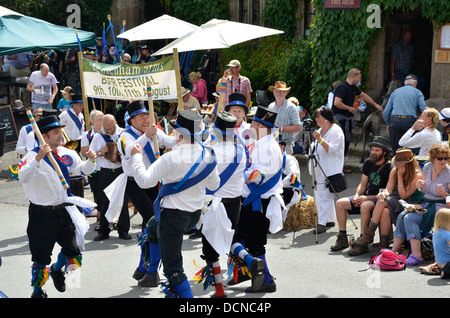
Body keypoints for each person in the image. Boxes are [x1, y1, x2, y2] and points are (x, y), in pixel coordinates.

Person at [130, 109, 220, 298]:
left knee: (173, 268)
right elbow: (214, 184)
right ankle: (150, 271)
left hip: (173, 217)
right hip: (194, 215)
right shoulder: (208, 155)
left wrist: (136, 157)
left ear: (179, 135)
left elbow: (145, 181)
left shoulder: (170, 157)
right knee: (153, 226)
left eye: (174, 131)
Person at [17, 115, 97, 298]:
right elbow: (22, 177)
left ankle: (56, 270)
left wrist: (91, 161)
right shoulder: (31, 156)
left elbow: (82, 170)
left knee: (74, 253)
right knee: (40, 258)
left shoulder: (66, 153)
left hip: (63, 210)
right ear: (44, 136)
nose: (61, 136)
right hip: (41, 214)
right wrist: (38, 158)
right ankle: (37, 292)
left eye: (60, 132)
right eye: (56, 133)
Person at [230, 105, 283, 293]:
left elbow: (258, 177)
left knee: (254, 242)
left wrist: (236, 174)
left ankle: (267, 280)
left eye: (253, 123)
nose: (249, 126)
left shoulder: (268, 147)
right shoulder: (261, 144)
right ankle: (244, 272)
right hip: (252, 199)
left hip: (258, 201)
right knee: (239, 236)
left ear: (261, 126)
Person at [197, 111, 247, 298]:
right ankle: (249, 260)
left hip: (215, 204)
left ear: (216, 132)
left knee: (210, 248)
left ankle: (219, 290)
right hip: (235, 203)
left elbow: (203, 179)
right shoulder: (241, 151)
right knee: (229, 241)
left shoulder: (210, 152)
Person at [349, 148, 423, 255]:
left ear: (408, 164)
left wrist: (400, 176)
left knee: (383, 202)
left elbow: (404, 195)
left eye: (400, 164)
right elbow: (388, 189)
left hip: (410, 201)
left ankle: (369, 234)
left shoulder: (417, 174)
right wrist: (383, 194)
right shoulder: (394, 171)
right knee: (384, 210)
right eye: (397, 164)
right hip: (395, 198)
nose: (397, 166)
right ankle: (383, 244)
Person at [331, 136, 393, 252]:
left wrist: (366, 198)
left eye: (377, 150)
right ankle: (342, 237)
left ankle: (362, 240)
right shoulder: (368, 163)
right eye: (372, 150)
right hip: (366, 197)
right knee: (340, 203)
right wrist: (357, 195)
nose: (373, 152)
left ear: (384, 152)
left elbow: (387, 193)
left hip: (379, 200)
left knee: (365, 205)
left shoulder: (390, 167)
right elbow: (363, 184)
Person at [391, 144, 450, 265]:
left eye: (446, 158)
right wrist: (419, 186)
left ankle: (416, 255)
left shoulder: (448, 173)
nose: (444, 161)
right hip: (425, 203)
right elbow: (423, 189)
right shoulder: (428, 167)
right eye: (440, 158)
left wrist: (444, 194)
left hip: (440, 206)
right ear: (433, 158)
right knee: (403, 215)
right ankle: (394, 251)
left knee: (409, 218)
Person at [90, 114, 130, 241]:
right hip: (105, 172)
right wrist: (102, 152)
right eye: (106, 129)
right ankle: (103, 231)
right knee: (104, 202)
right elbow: (91, 155)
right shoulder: (98, 136)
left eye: (111, 128)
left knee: (122, 201)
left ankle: (123, 231)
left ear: (116, 123)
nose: (109, 131)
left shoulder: (124, 133)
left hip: (120, 171)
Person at [333, 68, 383, 160]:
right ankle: (337, 168)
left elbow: (363, 95)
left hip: (347, 118)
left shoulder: (353, 87)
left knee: (346, 142)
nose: (360, 81)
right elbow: (337, 103)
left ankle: (341, 167)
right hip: (340, 120)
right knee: (341, 142)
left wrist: (375, 104)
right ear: (353, 76)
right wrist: (349, 108)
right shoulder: (342, 87)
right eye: (359, 78)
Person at [310, 106, 345, 234]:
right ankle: (330, 219)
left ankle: (321, 223)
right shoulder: (320, 130)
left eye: (318, 116)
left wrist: (319, 139)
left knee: (324, 195)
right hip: (320, 167)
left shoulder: (336, 131)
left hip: (330, 168)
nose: (316, 118)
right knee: (321, 194)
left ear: (326, 118)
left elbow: (332, 149)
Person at [383, 74, 427, 156]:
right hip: (409, 121)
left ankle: (395, 167)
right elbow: (424, 109)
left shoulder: (395, 92)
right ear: (415, 83)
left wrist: (389, 123)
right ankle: (410, 166)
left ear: (404, 83)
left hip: (394, 120)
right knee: (410, 147)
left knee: (395, 148)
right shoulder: (418, 92)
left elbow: (386, 112)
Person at [80, 110, 104, 219]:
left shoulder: (108, 132)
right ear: (93, 121)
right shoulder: (87, 135)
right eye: (100, 120)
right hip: (93, 168)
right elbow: (84, 152)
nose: (103, 121)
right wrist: (98, 150)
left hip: (106, 167)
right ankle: (100, 217)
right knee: (96, 192)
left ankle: (112, 218)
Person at [267, 81, 301, 155]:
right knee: (273, 166)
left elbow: (298, 127)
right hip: (272, 143)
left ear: (286, 93)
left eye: (282, 91)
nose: (279, 93)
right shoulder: (270, 106)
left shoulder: (292, 107)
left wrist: (281, 128)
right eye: (277, 91)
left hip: (286, 144)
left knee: (285, 165)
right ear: (273, 92)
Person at [432, 208, 450, 279]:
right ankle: (445, 273)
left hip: (440, 264)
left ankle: (444, 272)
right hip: (447, 264)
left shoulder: (436, 232)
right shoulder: (447, 234)